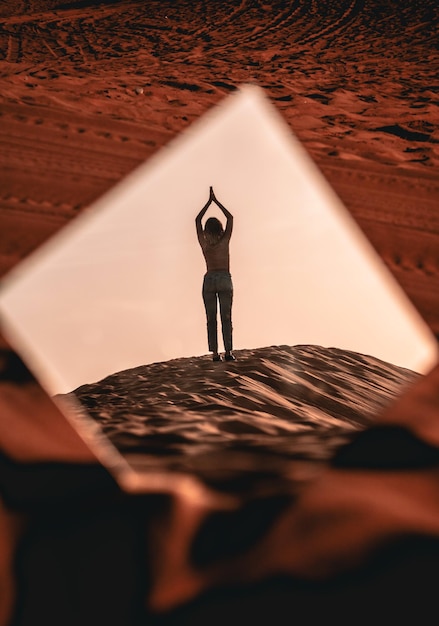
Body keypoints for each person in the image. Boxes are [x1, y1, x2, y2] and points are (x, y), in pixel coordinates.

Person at [196, 187, 235, 362]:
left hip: (209, 279)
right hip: (224, 278)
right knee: (226, 317)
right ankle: (228, 353)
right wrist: (216, 201)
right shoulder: (224, 240)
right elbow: (230, 217)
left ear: (206, 230)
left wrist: (208, 202)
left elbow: (197, 220)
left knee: (211, 318)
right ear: (219, 228)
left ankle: (214, 354)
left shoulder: (204, 243)